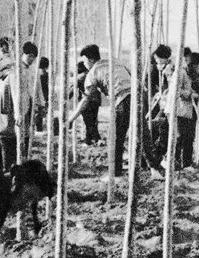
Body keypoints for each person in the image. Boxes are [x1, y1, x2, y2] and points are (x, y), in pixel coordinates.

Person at [68, 44, 164, 181]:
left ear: (90, 60)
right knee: (143, 134)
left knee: (116, 137)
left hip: (123, 100)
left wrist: (72, 118)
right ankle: (154, 170)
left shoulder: (92, 73)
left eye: (84, 61)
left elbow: (86, 100)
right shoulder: (115, 61)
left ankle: (116, 173)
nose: (84, 64)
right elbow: (134, 77)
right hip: (137, 96)